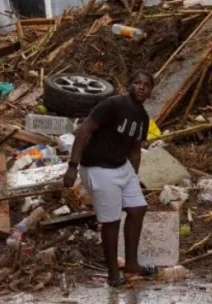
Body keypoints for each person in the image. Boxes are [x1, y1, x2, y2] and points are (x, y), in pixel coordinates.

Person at [63, 71, 156, 287]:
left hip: (122, 167)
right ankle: (114, 274)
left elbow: (135, 149)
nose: (141, 87)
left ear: (151, 91)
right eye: (137, 83)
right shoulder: (112, 105)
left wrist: (133, 175)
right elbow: (85, 130)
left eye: (146, 85)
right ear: (129, 85)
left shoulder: (142, 117)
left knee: (137, 209)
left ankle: (132, 264)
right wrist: (72, 166)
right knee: (111, 221)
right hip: (98, 168)